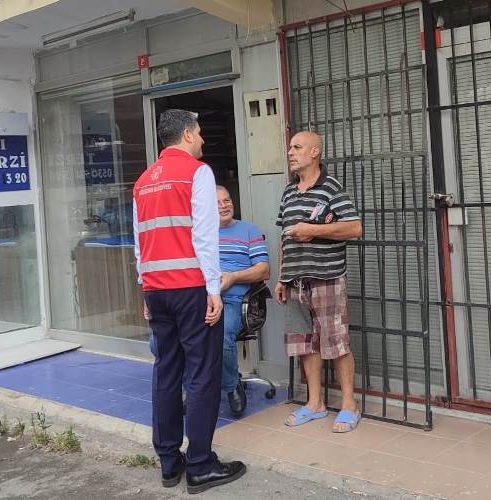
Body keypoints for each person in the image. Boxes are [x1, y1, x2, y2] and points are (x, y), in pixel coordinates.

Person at [133, 109, 246, 494]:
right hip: (190, 289)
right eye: (198, 133)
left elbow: (140, 242)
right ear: (184, 134)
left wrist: (145, 287)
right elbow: (204, 234)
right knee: (201, 374)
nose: (202, 140)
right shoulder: (197, 173)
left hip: (157, 290)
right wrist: (213, 289)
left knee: (166, 372)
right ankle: (200, 465)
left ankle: (169, 463)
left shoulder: (143, 181)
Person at [274, 131, 363, 433]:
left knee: (336, 342)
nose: (290, 152)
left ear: (315, 152)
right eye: (289, 148)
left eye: (297, 147)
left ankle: (349, 404)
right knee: (305, 344)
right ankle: (315, 404)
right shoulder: (288, 192)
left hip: (327, 278)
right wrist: (281, 277)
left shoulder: (331, 188)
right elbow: (283, 236)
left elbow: (354, 228)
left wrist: (313, 230)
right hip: (295, 280)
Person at [217, 185, 270, 417]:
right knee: (184, 334)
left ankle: (231, 386)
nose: (224, 205)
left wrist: (233, 277)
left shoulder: (249, 231)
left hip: (236, 301)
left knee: (221, 337)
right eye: (217, 203)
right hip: (204, 298)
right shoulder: (200, 234)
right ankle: (192, 388)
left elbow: (264, 270)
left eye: (227, 200)